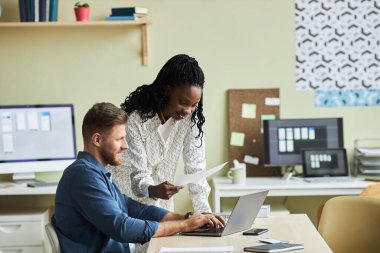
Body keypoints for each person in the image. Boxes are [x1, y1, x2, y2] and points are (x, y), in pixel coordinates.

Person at [52, 102, 225, 253]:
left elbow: (137, 209)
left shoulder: (96, 173)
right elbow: (122, 227)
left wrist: (189, 217)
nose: (126, 146)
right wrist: (187, 226)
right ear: (97, 140)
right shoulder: (84, 176)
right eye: (120, 139)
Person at [109, 54, 214, 215]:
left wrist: (205, 213)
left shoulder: (190, 120)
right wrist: (152, 190)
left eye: (194, 105)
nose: (188, 111)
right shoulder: (136, 121)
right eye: (183, 102)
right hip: (126, 201)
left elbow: (196, 170)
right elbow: (139, 178)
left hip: (161, 207)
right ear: (167, 90)